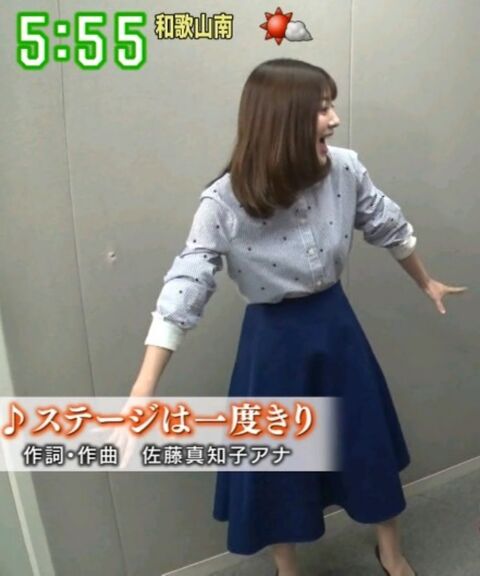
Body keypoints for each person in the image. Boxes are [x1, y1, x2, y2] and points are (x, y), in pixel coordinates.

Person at [123, 59, 468, 576]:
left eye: (332, 105)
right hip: (272, 343)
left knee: (364, 441)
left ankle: (391, 553)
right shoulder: (223, 202)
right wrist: (143, 389)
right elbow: (186, 285)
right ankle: (288, 569)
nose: (334, 119)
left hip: (336, 328)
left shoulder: (345, 169)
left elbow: (386, 222)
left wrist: (426, 280)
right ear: (282, 120)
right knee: (273, 459)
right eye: (322, 108)